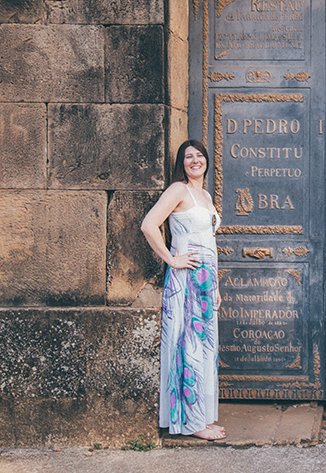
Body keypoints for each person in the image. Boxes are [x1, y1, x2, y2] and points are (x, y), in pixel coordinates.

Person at [141, 140, 225, 440]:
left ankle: (201, 416)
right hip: (187, 280)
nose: (195, 160)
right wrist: (172, 260)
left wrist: (216, 286)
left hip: (205, 282)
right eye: (188, 157)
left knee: (204, 348)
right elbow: (149, 225)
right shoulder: (178, 190)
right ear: (182, 163)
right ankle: (192, 423)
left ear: (207, 161)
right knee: (189, 346)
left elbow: (209, 243)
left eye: (199, 155)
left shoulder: (205, 195)